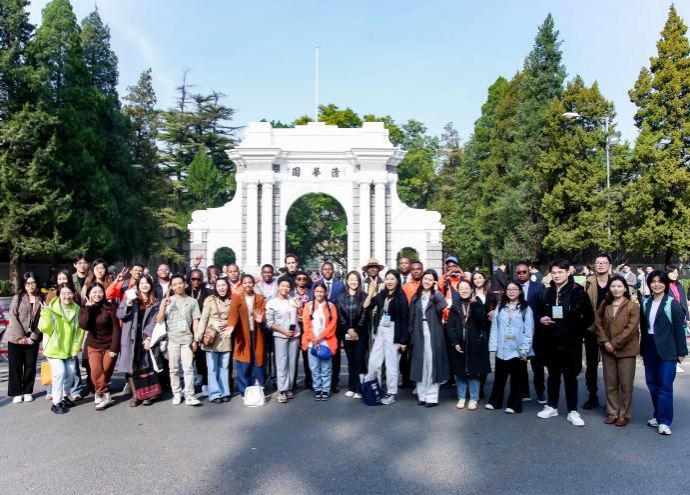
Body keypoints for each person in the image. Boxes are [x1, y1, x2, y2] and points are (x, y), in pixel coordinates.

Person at [537, 259, 595, 427]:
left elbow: (589, 317)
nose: (556, 275)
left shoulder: (578, 292)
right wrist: (541, 318)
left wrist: (576, 329)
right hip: (551, 340)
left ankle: (572, 411)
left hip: (571, 342)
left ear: (568, 272)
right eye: (554, 272)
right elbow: (539, 312)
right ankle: (552, 406)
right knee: (553, 375)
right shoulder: (546, 293)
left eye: (560, 272)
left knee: (570, 377)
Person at [640, 270, 688, 435]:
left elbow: (679, 329)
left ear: (666, 284)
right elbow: (644, 328)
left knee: (665, 385)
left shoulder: (672, 304)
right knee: (651, 383)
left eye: (660, 281)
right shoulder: (646, 303)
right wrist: (642, 349)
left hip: (668, 349)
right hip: (650, 347)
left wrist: (681, 351)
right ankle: (658, 414)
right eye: (653, 281)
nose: (657, 284)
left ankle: (665, 421)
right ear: (649, 284)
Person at [595, 276, 640, 427]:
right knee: (610, 383)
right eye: (613, 286)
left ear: (625, 288)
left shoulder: (632, 306)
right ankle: (613, 412)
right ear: (609, 288)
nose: (616, 289)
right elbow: (598, 322)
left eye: (619, 286)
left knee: (626, 385)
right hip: (607, 349)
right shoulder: (605, 304)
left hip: (626, 350)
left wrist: (614, 343)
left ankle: (624, 414)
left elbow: (631, 329)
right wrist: (605, 341)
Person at [486, 281, 534, 414]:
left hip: (518, 349)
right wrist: (493, 346)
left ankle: (514, 405)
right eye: (509, 289)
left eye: (514, 289)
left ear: (520, 291)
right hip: (502, 348)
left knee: (516, 379)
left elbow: (529, 331)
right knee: (499, 377)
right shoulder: (500, 307)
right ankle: (495, 402)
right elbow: (494, 328)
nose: (511, 291)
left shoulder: (526, 309)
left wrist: (525, 349)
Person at [38, 283, 85, 414]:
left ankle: (64, 396)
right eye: (63, 293)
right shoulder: (51, 309)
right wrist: (45, 313)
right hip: (54, 349)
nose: (67, 296)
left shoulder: (77, 310)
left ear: (73, 294)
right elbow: (44, 328)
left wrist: (75, 350)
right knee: (59, 373)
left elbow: (79, 332)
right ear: (58, 295)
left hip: (69, 350)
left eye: (69, 293)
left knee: (70, 373)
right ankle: (56, 402)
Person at [365, 269, 410, 405]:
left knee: (391, 365)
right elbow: (366, 305)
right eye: (387, 279)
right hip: (381, 329)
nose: (389, 282)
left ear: (397, 280)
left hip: (394, 332)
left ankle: (391, 392)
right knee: (373, 361)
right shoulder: (382, 295)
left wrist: (403, 341)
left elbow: (405, 320)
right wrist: (372, 291)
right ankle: (375, 387)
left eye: (392, 279)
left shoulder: (401, 297)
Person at [157, 274, 202, 406]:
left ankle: (189, 395)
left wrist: (195, 339)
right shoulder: (168, 301)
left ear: (185, 284)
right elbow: (159, 320)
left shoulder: (192, 301)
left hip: (187, 339)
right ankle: (177, 393)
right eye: (175, 284)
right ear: (171, 287)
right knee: (174, 369)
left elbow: (195, 322)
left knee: (188, 368)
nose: (178, 286)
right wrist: (163, 306)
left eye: (180, 283)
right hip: (172, 339)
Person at [116, 274, 160, 406]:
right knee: (132, 366)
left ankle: (146, 394)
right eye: (142, 283)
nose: (144, 285)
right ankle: (136, 395)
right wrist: (128, 303)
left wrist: (149, 337)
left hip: (145, 336)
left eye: (147, 283)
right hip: (130, 336)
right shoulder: (131, 297)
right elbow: (120, 314)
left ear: (151, 285)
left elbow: (155, 321)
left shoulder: (156, 302)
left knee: (145, 366)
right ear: (138, 286)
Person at [447, 280, 490, 410]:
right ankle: (461, 397)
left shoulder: (477, 302)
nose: (464, 290)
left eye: (466, 288)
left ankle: (473, 398)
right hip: (460, 343)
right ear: (458, 291)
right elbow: (451, 326)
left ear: (471, 289)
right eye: (461, 288)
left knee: (474, 372)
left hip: (475, 342)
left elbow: (482, 321)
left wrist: (475, 305)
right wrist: (454, 342)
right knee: (460, 372)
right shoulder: (455, 305)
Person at [409, 270, 448, 407]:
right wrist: (410, 334)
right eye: (425, 278)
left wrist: (436, 291)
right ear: (422, 280)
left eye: (430, 280)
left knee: (432, 363)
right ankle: (422, 395)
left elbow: (443, 306)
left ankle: (431, 397)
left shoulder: (435, 296)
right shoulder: (416, 296)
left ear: (434, 282)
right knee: (421, 363)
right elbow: (411, 316)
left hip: (433, 331)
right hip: (419, 331)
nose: (427, 281)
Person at [79, 283, 121, 410]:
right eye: (94, 292)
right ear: (89, 294)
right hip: (94, 345)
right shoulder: (85, 308)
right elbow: (84, 325)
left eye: (100, 292)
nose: (97, 295)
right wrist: (88, 309)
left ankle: (99, 392)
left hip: (109, 345)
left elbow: (116, 329)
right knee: (96, 371)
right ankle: (104, 394)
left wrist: (114, 348)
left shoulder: (110, 308)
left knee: (106, 370)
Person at [223, 274, 266, 396]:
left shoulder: (259, 298)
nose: (248, 285)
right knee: (243, 361)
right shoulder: (237, 298)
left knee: (257, 360)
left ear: (253, 284)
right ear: (242, 284)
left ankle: (258, 389)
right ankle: (244, 390)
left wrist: (261, 319)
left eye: (250, 282)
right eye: (245, 283)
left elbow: (264, 313)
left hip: (257, 334)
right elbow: (233, 314)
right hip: (242, 334)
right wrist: (231, 326)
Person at [6, 272, 43, 403]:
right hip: (16, 336)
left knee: (30, 365)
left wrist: (33, 337)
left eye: (33, 283)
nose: (31, 286)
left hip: (33, 336)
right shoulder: (18, 297)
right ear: (24, 284)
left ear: (37, 283)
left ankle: (27, 391)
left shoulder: (41, 298)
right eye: (28, 283)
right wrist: (21, 336)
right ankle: (16, 392)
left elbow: (43, 319)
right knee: (15, 366)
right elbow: (12, 316)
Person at [583, 254, 613, 409]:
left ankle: (612, 400)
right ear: (594, 265)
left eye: (604, 262)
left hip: (611, 330)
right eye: (598, 263)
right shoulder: (588, 283)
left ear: (609, 265)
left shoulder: (615, 282)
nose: (601, 265)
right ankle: (592, 395)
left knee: (611, 365)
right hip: (591, 329)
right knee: (591, 364)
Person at [196, 278, 232, 404]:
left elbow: (235, 318)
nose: (221, 288)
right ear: (215, 288)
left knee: (224, 367)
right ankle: (215, 393)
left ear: (227, 286)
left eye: (224, 285)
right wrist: (199, 334)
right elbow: (204, 318)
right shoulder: (210, 300)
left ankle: (225, 391)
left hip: (225, 336)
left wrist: (227, 322)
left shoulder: (231, 301)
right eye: (219, 286)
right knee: (212, 368)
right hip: (212, 337)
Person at [311, 262, 345, 392]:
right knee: (319, 353)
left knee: (335, 354)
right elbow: (312, 302)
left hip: (335, 324)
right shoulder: (316, 284)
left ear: (333, 270)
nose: (327, 271)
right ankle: (319, 383)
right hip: (319, 326)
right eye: (325, 269)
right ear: (321, 270)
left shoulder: (340, 285)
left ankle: (334, 382)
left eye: (330, 269)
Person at [302, 281, 338, 400]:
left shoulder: (331, 306)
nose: (319, 294)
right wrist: (314, 339)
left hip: (326, 342)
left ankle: (326, 390)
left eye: (322, 291)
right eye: (317, 291)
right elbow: (306, 325)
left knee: (326, 368)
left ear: (326, 292)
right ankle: (317, 389)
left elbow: (333, 324)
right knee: (314, 368)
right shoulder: (308, 306)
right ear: (314, 292)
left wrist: (320, 338)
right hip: (311, 342)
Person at [515, 263, 545, 403]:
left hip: (536, 330)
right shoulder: (512, 287)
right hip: (518, 332)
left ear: (529, 272)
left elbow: (543, 307)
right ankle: (524, 391)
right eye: (519, 272)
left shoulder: (539, 287)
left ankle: (540, 391)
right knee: (520, 364)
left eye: (524, 272)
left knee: (537, 365)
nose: (521, 274)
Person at [266, 277, 300, 403]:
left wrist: (299, 307)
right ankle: (282, 390)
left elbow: (300, 316)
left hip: (294, 335)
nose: (285, 288)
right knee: (281, 363)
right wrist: (283, 331)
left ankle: (289, 388)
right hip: (280, 336)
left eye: (288, 286)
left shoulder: (293, 300)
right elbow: (270, 323)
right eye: (283, 285)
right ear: (278, 286)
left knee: (292, 363)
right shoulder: (272, 303)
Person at [336, 271, 369, 398]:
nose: (353, 282)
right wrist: (348, 329)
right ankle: (352, 387)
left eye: (356, 279)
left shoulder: (364, 296)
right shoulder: (341, 297)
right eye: (351, 279)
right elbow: (340, 316)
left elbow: (365, 315)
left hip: (361, 333)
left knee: (360, 359)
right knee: (351, 360)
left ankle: (360, 388)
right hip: (346, 333)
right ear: (347, 281)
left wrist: (357, 330)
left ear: (359, 281)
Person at [187, 268, 212, 396]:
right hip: (187, 329)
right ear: (190, 279)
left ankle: (205, 382)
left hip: (203, 329)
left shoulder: (209, 293)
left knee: (202, 357)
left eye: (199, 279)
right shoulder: (186, 291)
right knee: (188, 358)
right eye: (193, 279)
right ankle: (190, 383)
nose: (196, 281)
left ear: (203, 280)